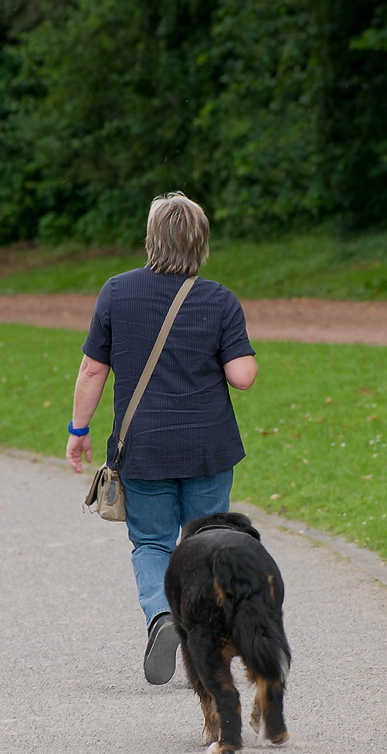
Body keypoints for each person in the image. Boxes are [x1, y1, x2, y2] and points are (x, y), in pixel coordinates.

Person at [66, 191, 257, 685]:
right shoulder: (219, 300)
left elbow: (92, 370)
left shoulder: (116, 292)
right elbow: (242, 376)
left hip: (143, 448)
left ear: (151, 239)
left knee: (151, 543)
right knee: (208, 541)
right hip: (207, 449)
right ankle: (208, 641)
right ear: (202, 243)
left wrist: (78, 431)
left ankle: (161, 617)